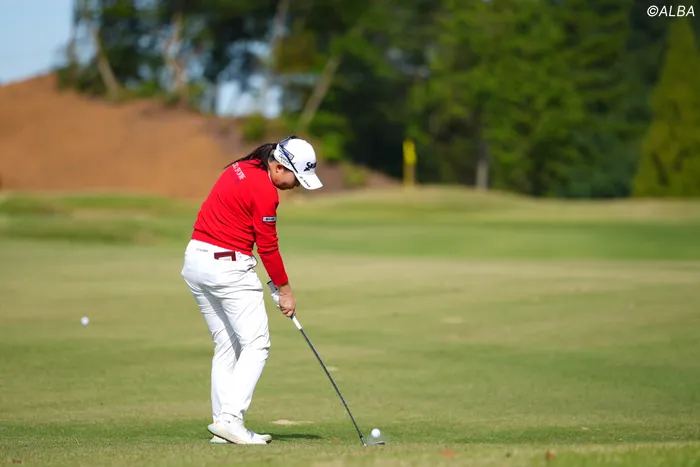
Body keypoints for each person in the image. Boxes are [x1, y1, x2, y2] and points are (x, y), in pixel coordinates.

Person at [180, 136, 323, 445]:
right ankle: (231, 420)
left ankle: (222, 425)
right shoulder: (265, 191)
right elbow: (268, 247)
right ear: (279, 167)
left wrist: (275, 286)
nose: (297, 185)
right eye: (296, 178)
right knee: (256, 344)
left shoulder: (241, 167)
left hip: (196, 260)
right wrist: (285, 290)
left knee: (227, 343)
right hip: (226, 266)